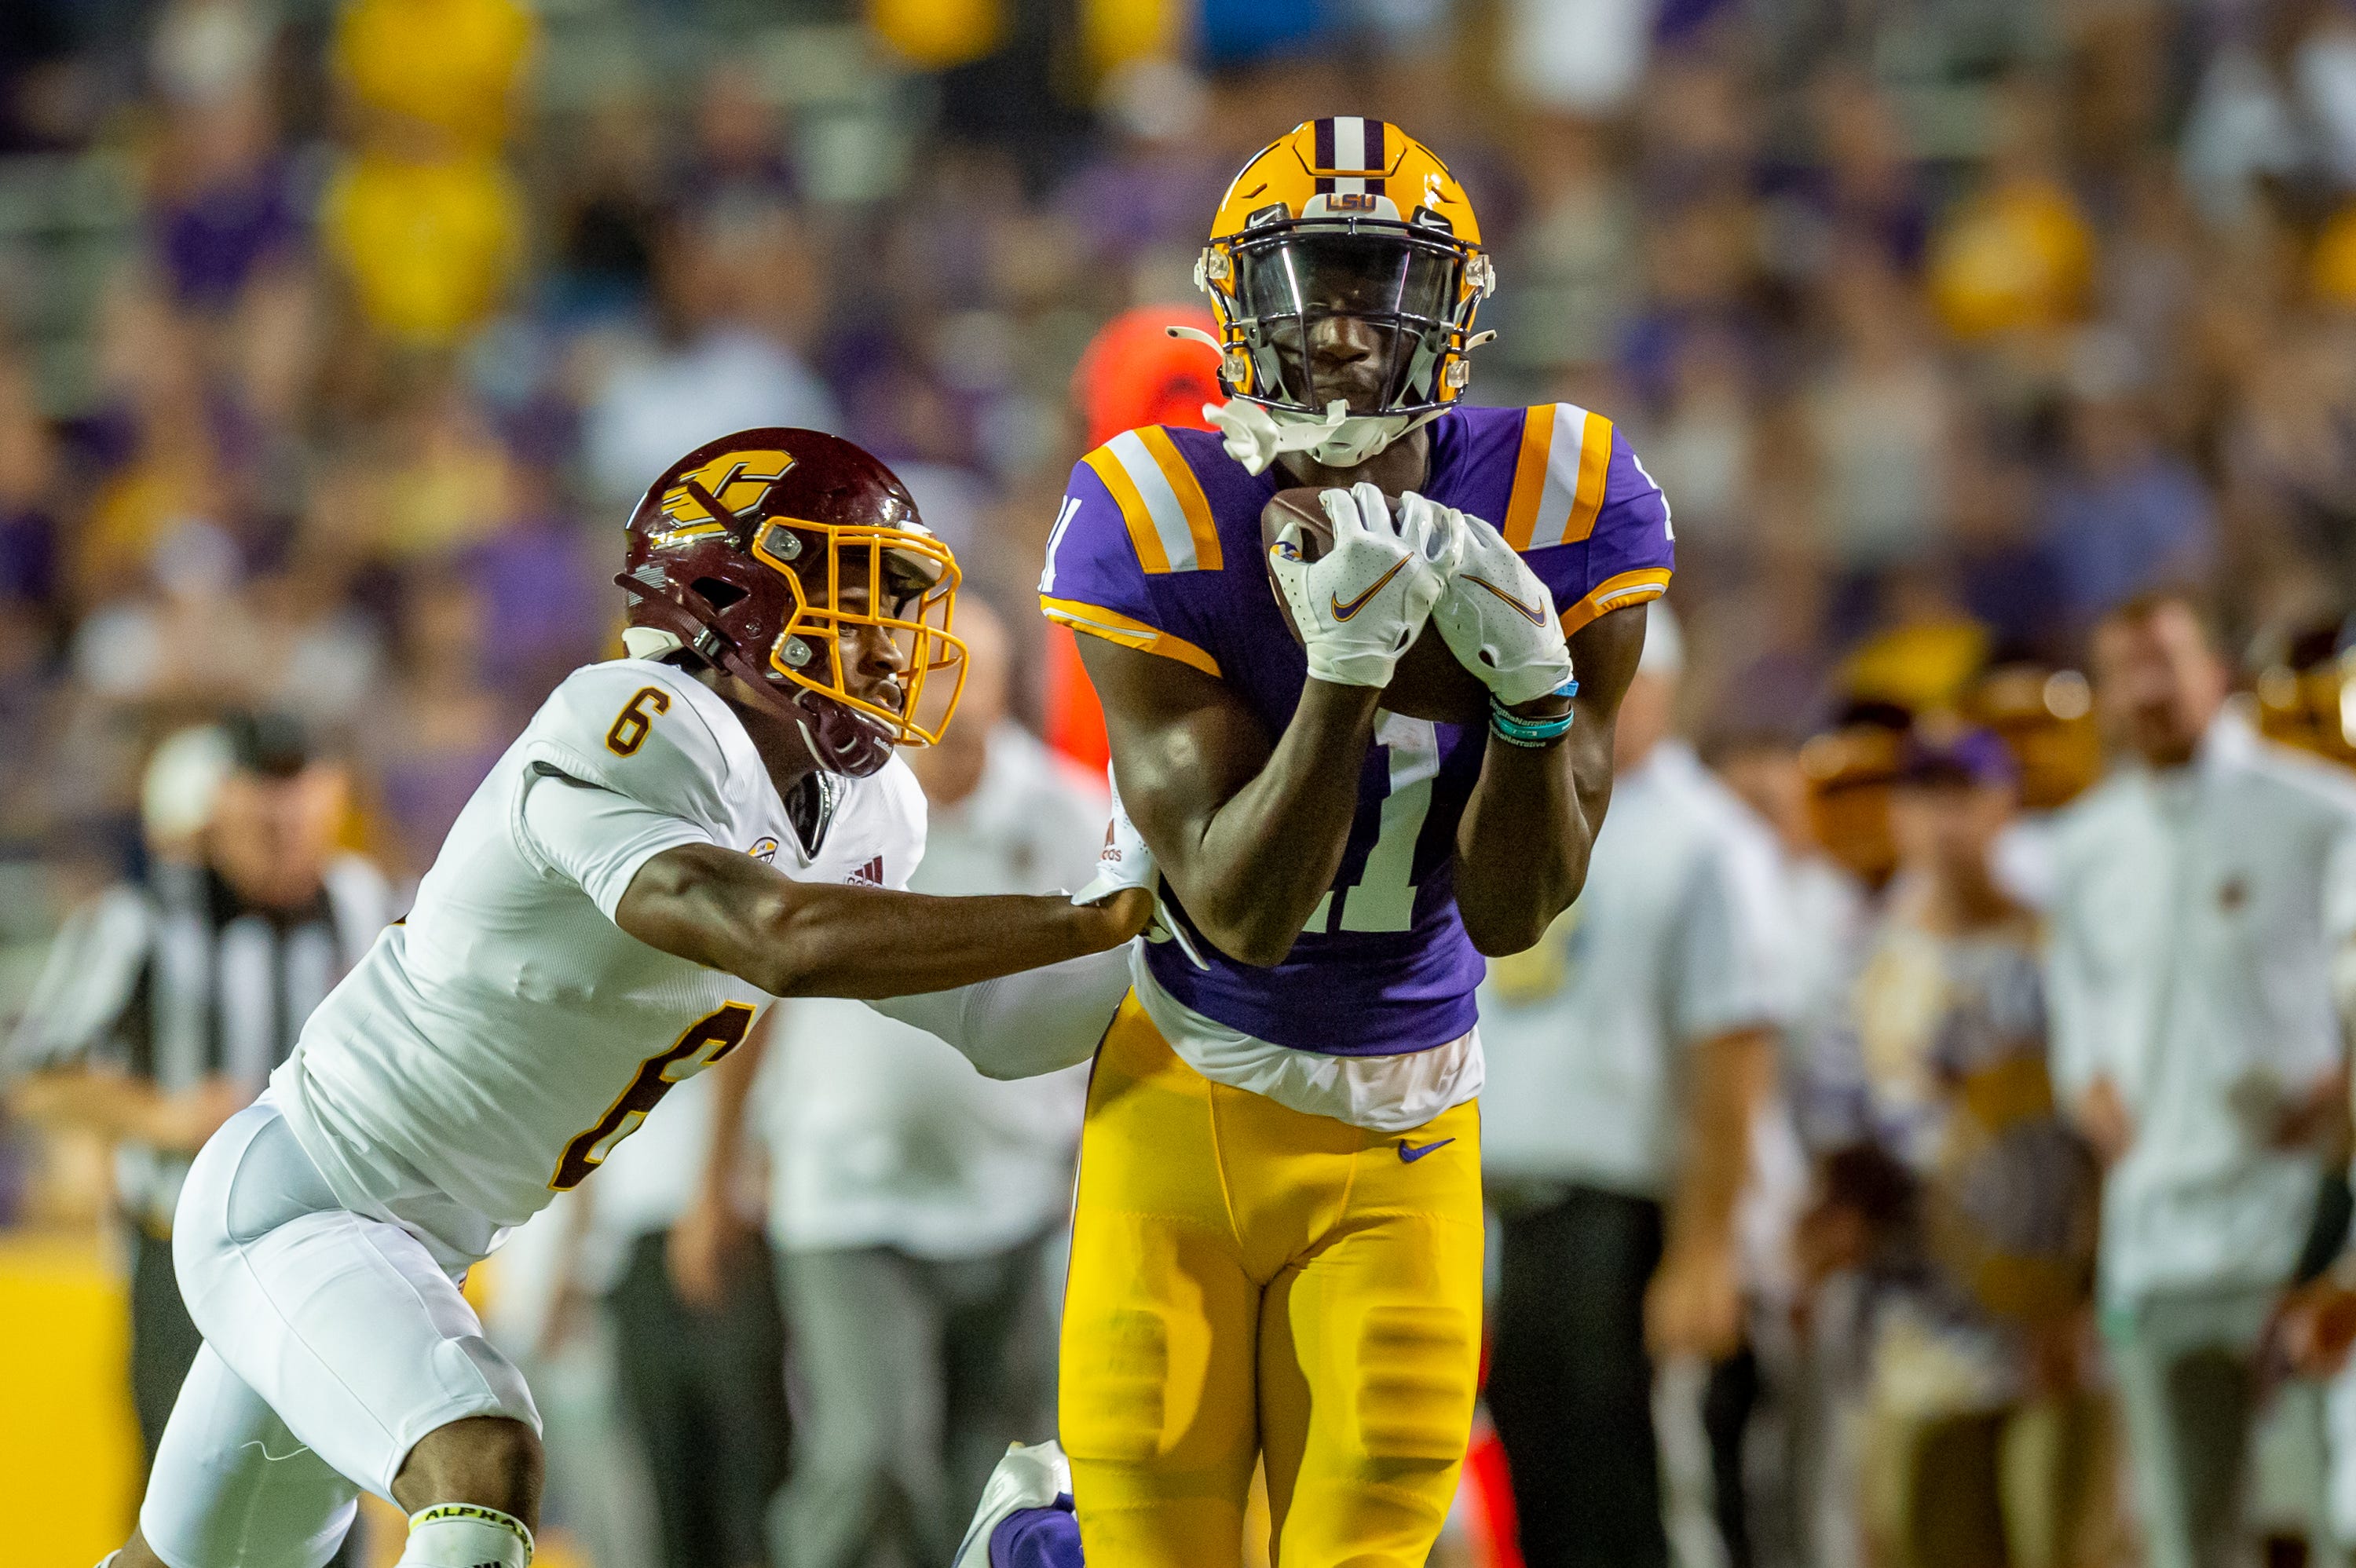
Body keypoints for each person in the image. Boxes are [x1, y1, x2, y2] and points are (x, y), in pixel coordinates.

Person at [100, 427, 1158, 1568]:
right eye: (861, 594)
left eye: (902, 602)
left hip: (412, 1239)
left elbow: (999, 1028)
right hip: (302, 1202)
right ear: (728, 592)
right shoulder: (631, 721)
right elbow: (777, 936)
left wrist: (1163, 947)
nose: (898, 641)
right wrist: (1083, 916)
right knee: (481, 1461)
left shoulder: (868, 809)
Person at [1030, 117, 1674, 1566]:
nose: (1336, 327)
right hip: (1188, 1082)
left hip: (1411, 1105)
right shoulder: (1154, 506)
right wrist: (1344, 678)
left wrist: (1532, 703)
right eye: (1308, 281)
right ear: (1236, 302)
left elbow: (1517, 912)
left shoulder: (1568, 494)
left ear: (1449, 308)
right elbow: (1242, 908)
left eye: (1374, 280)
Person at [686, 602, 1107, 1567]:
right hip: (846, 1194)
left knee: (1008, 1468)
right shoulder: (832, 805)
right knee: (871, 1456)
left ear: (1009, 684)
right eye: (926, 671)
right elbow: (756, 998)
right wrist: (714, 1182)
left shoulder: (1073, 816)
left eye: (967, 672)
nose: (948, 696)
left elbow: (1118, 1015)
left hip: (1022, 1195)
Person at [5, 713, 393, 1515]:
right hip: (187, 1258)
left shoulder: (363, 903)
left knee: (327, 1502)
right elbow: (36, 1074)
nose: (285, 833)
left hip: (334, 1254)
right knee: (184, 1506)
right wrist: (163, 1116)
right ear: (221, 807)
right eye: (263, 812)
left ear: (332, 803)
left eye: (301, 808)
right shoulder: (138, 918)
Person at [2048, 591, 2356, 1568]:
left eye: (2166, 659)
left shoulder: (2318, 813)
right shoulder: (2085, 844)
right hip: (2158, 1230)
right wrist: (2086, 1084)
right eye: (2125, 666)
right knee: (2189, 1532)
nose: (2147, 687)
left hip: (2295, 1224)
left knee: (2324, 1510)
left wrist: (2340, 1088)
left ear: (2214, 672)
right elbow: (2077, 1006)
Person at [1476, 605, 1788, 1568]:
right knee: (1548, 1491)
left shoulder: (1708, 842)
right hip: (1504, 1213)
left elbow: (1730, 1055)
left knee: (1647, 1495)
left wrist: (1704, 1250)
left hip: (1622, 1213)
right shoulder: (1524, 810)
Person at [1810, 728, 2104, 1568]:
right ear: (1899, 815)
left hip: (2055, 1326)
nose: (1946, 822)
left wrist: (2082, 1295)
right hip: (1916, 1334)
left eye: (1965, 798)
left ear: (2004, 806)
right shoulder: (1859, 963)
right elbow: (1840, 1143)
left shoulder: (2061, 953)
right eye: (1926, 799)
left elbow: (2102, 1134)